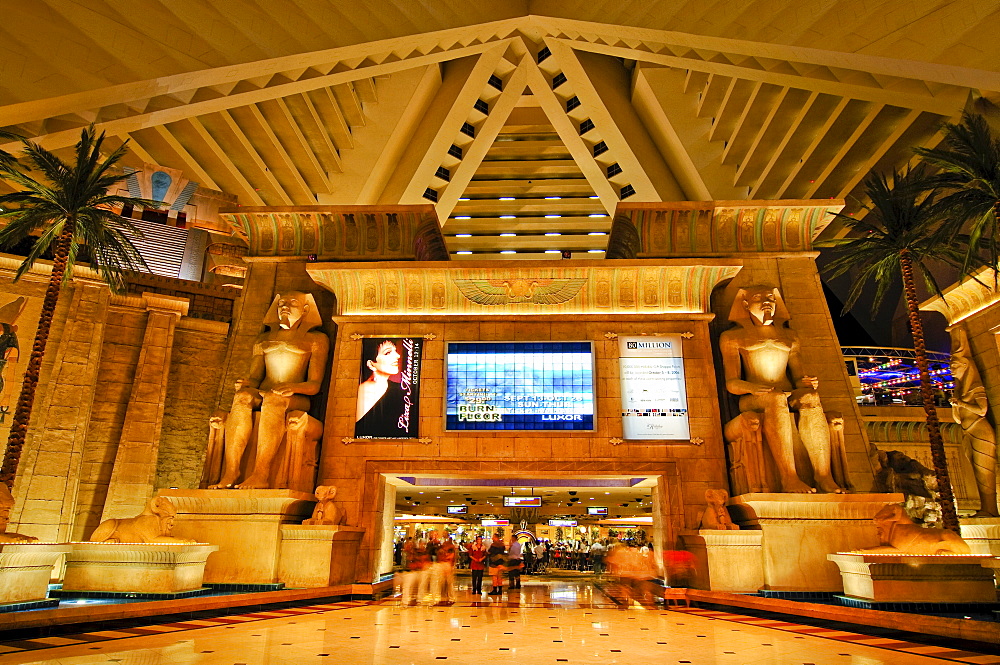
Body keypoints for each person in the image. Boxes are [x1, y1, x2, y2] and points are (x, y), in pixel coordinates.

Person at [719, 286, 841, 493]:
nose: (767, 301)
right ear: (745, 304)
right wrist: (753, 388)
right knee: (775, 398)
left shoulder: (790, 336)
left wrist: (808, 383)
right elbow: (732, 382)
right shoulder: (733, 337)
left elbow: (798, 377)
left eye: (770, 297)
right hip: (753, 395)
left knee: (811, 397)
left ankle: (823, 475)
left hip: (786, 392)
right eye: (759, 297)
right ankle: (788, 477)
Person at [209, 292, 329, 489]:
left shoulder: (316, 339)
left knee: (274, 399)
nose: (285, 307)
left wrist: (293, 387)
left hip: (297, 396)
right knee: (242, 397)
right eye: (282, 303)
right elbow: (256, 377)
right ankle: (232, 470)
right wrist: (246, 383)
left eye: (292, 303)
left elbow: (314, 384)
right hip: (265, 390)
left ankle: (261, 473)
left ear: (306, 309)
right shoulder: (262, 339)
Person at [355, 338, 412, 438]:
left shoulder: (401, 392)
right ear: (371, 364)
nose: (397, 356)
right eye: (388, 352)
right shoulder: (360, 392)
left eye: (395, 351)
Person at [436, 535, 457, 603]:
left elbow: (451, 558)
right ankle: (444, 597)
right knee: (442, 582)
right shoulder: (442, 550)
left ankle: (451, 597)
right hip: (443, 565)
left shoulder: (451, 550)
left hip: (448, 566)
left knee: (449, 583)